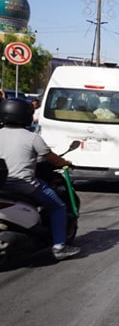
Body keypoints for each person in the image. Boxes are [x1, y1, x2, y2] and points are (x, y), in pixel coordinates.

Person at [0, 99, 81, 260]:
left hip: (2, 186)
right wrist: (66, 163)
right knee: (58, 206)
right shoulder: (32, 138)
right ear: (25, 116)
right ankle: (59, 246)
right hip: (23, 185)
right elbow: (54, 160)